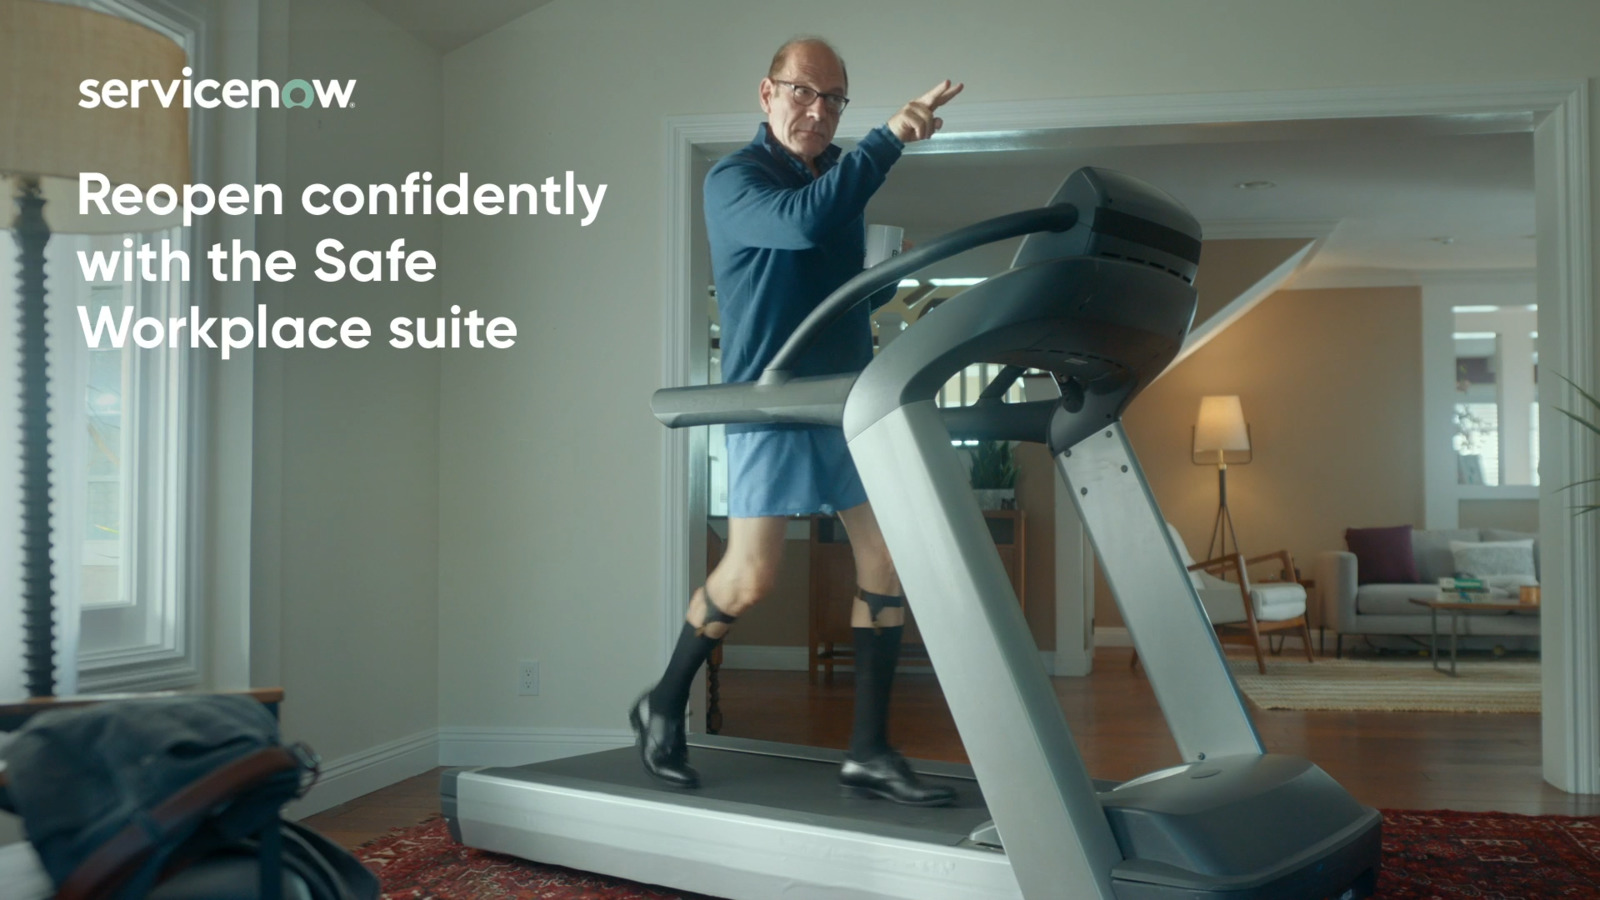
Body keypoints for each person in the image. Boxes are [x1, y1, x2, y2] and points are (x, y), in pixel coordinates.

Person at [630, 36, 964, 807]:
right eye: (803, 92)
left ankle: (871, 750)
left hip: (844, 398)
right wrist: (886, 142)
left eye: (835, 99)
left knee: (887, 556)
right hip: (771, 402)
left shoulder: (834, 180)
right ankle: (660, 701)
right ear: (767, 93)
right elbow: (802, 226)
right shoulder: (734, 179)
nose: (819, 111)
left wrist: (888, 284)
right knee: (753, 576)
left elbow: (826, 289)